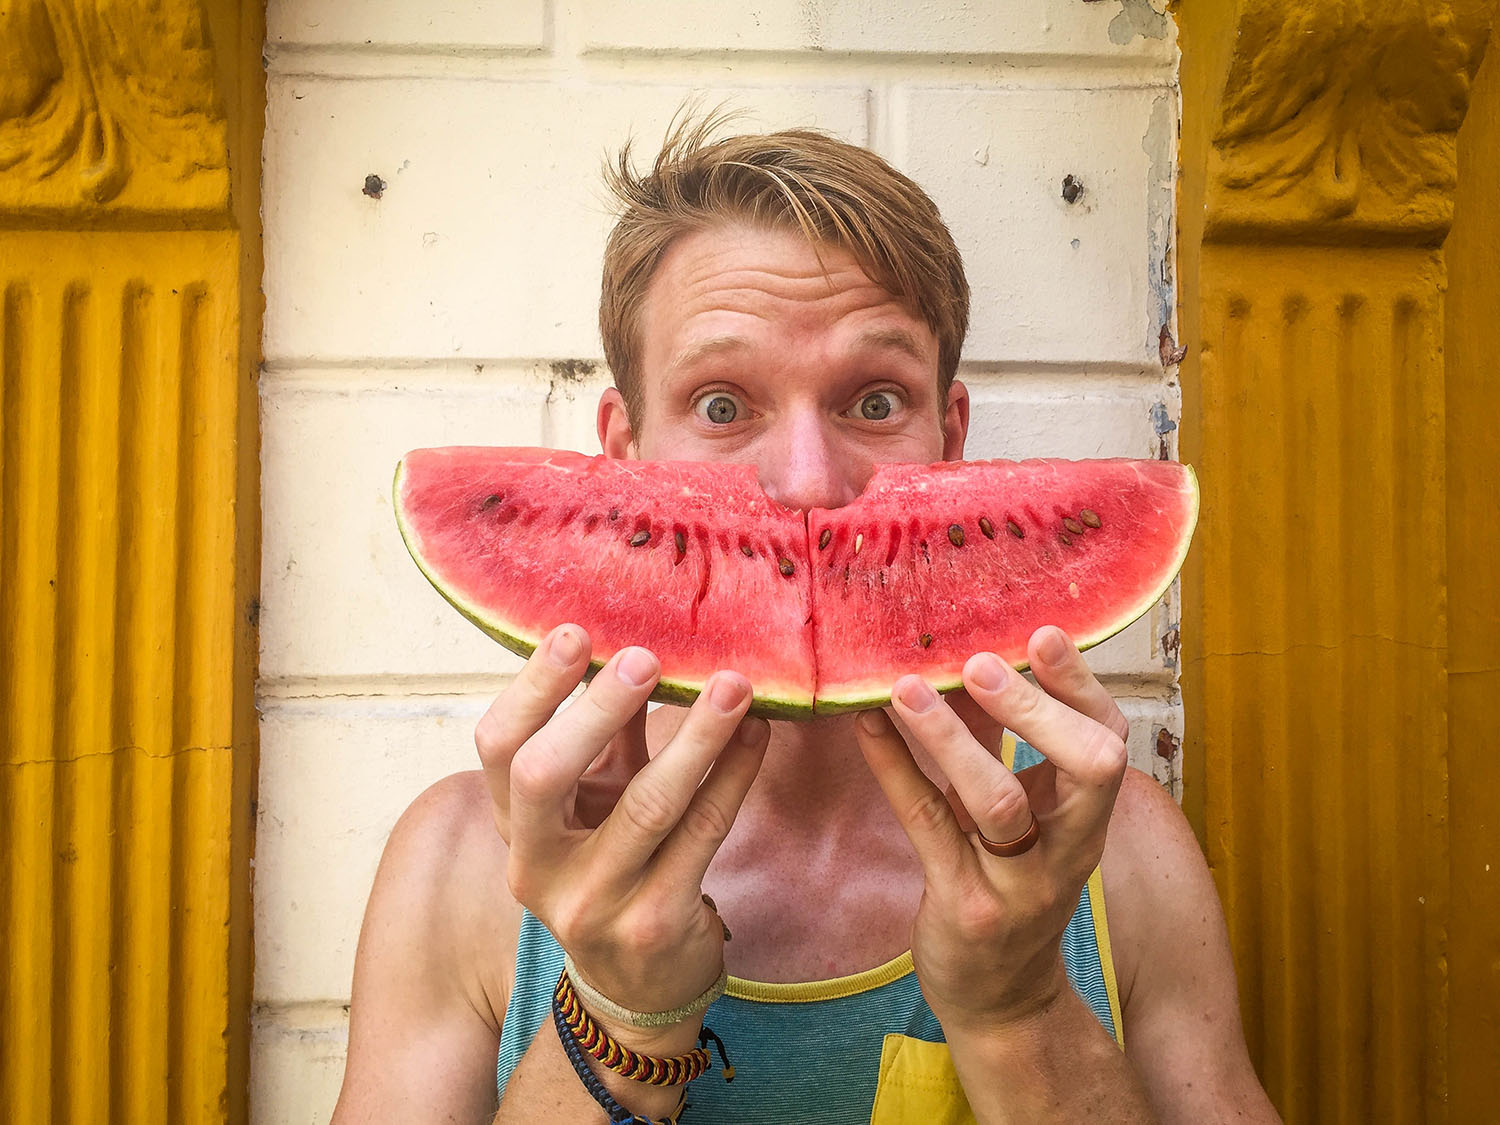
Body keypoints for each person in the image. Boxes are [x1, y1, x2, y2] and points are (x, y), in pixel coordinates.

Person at [332, 117, 1279, 1124]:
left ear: (950, 442)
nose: (809, 486)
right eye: (722, 405)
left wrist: (1017, 1008)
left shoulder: (1115, 853)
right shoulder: (462, 865)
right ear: (621, 456)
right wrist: (622, 1022)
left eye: (874, 402)